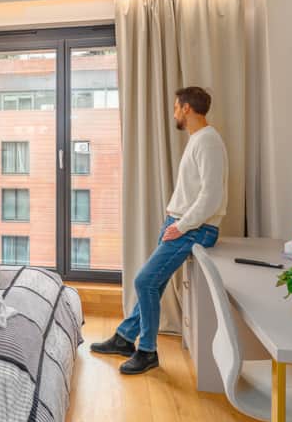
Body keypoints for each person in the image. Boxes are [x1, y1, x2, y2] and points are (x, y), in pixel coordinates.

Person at [91, 86, 228, 375]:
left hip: (194, 229)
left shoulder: (208, 142)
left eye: (177, 107)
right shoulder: (199, 139)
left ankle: (148, 351)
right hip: (183, 225)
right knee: (153, 283)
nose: (175, 112)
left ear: (187, 108)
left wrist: (180, 226)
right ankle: (126, 337)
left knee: (144, 282)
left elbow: (211, 195)